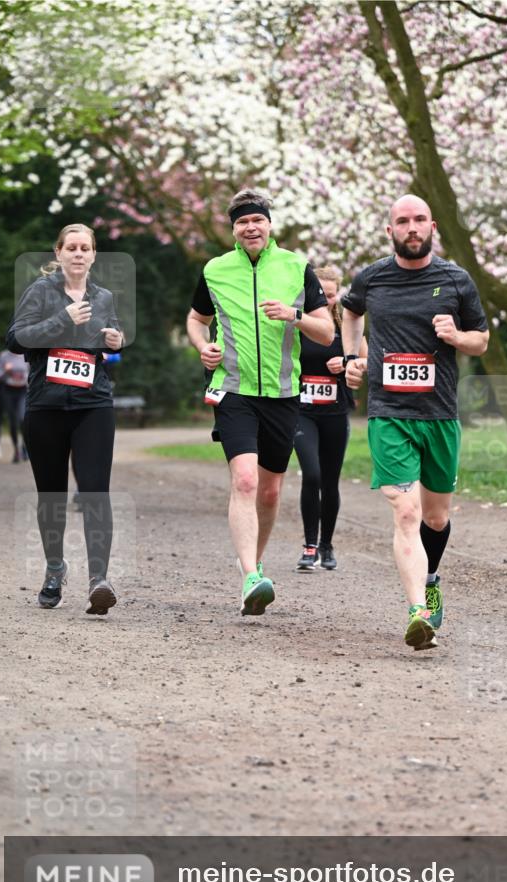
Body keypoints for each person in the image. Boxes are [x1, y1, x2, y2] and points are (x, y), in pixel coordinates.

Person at [342, 194, 489, 650]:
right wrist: (351, 357)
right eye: (402, 221)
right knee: (406, 511)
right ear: (390, 231)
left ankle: (430, 578)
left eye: (419, 220)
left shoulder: (456, 279)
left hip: (440, 413)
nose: (412, 227)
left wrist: (455, 336)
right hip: (389, 412)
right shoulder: (372, 278)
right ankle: (417, 613)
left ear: (433, 226)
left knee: (437, 518)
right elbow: (349, 311)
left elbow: (481, 340)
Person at [186, 188, 333, 615]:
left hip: (284, 394)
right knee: (245, 480)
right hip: (233, 390)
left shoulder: (296, 268)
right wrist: (202, 345)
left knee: (269, 492)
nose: (251, 227)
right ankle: (251, 575)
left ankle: (256, 561)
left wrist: (294, 316)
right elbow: (197, 319)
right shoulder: (215, 270)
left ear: (269, 224)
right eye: (242, 222)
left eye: (258, 220)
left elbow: (326, 332)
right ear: (233, 228)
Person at [6, 223, 125, 614]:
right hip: (46, 407)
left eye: (84, 247)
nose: (77, 253)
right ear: (58, 253)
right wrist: (62, 320)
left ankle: (98, 580)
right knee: (52, 495)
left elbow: (110, 344)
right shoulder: (40, 292)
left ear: (93, 255)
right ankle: (55, 568)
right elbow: (16, 339)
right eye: (70, 247)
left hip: (94, 405)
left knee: (95, 491)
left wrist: (115, 342)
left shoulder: (103, 296)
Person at [294, 266, 367, 572]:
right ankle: (310, 546)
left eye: (331, 294)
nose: (325, 299)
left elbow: (366, 361)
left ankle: (327, 544)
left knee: (330, 480)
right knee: (311, 475)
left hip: (335, 411)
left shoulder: (347, 328)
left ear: (339, 295)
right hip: (302, 411)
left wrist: (350, 362)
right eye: (320, 293)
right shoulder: (302, 322)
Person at [0, 345, 29, 461]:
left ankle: (25, 447)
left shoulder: (27, 354)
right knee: (13, 422)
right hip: (8, 392)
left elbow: (31, 374)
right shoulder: (4, 356)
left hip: (22, 392)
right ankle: (16, 450)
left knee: (22, 419)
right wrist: (6, 371)